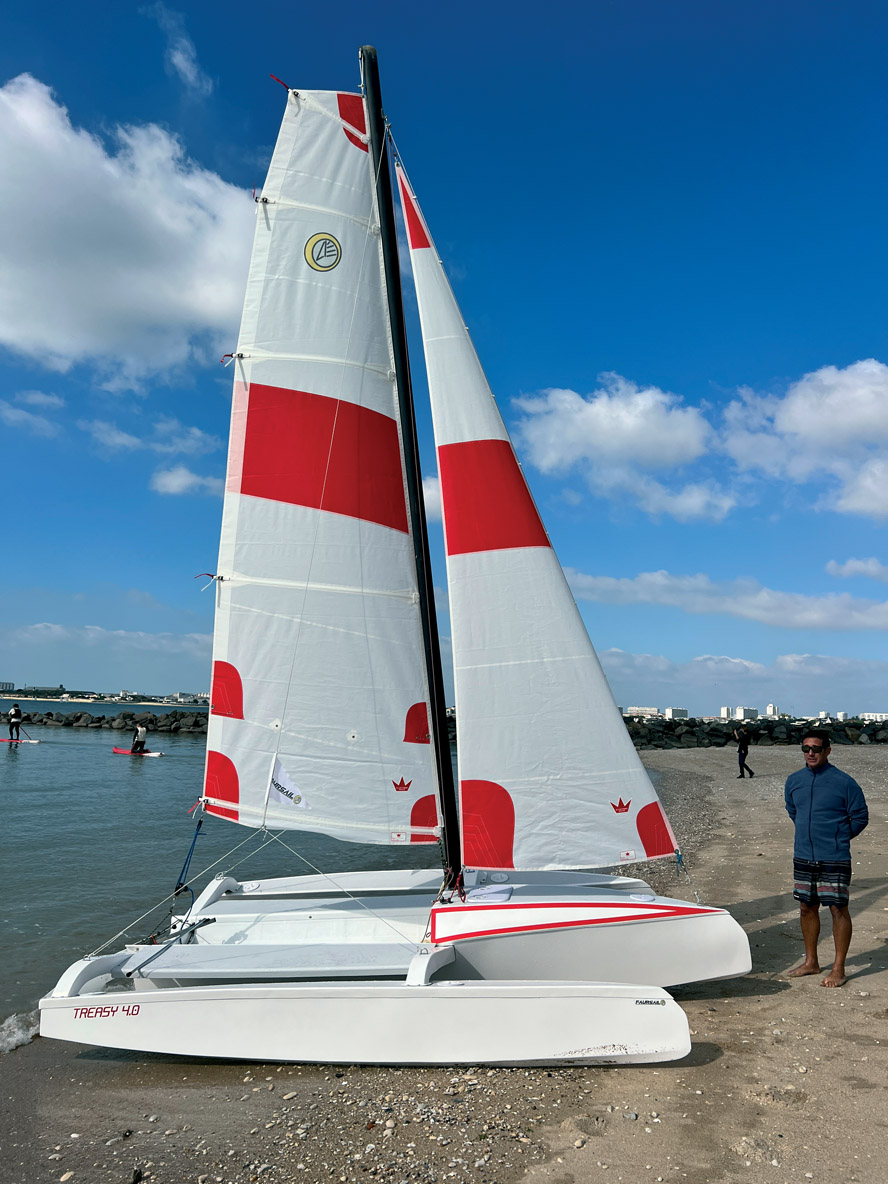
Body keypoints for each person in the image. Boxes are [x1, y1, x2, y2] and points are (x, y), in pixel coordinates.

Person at [784, 729, 868, 987]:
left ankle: (839, 969)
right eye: (806, 748)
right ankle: (812, 962)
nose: (810, 753)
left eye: (816, 749)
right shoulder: (794, 780)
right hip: (803, 856)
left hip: (834, 856)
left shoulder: (844, 782)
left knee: (837, 908)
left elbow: (861, 817)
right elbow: (793, 810)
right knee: (806, 907)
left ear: (827, 751)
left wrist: (838, 838)